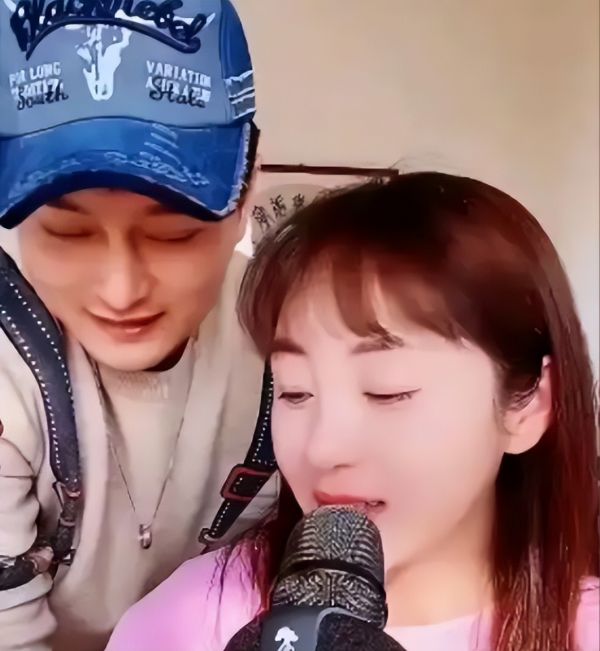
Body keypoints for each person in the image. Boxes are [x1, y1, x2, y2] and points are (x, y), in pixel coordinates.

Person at [108, 172, 599, 651]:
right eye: (294, 391)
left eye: (388, 391)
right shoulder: (187, 620)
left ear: (530, 404)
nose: (323, 449)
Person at [0, 2, 276, 650]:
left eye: (173, 233)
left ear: (247, 193)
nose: (120, 291)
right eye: (67, 232)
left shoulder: (289, 340)